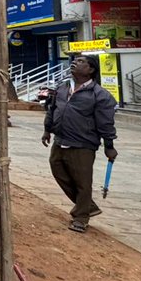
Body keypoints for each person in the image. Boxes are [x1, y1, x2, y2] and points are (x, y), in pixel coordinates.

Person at [42, 54, 118, 234]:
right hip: (60, 140)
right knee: (58, 171)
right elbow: (52, 109)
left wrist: (109, 145)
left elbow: (105, 122)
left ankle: (81, 217)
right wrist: (47, 129)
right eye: (75, 60)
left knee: (83, 181)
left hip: (83, 144)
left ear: (91, 70)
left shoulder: (99, 95)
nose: (75, 62)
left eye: (81, 61)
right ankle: (88, 206)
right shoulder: (63, 88)